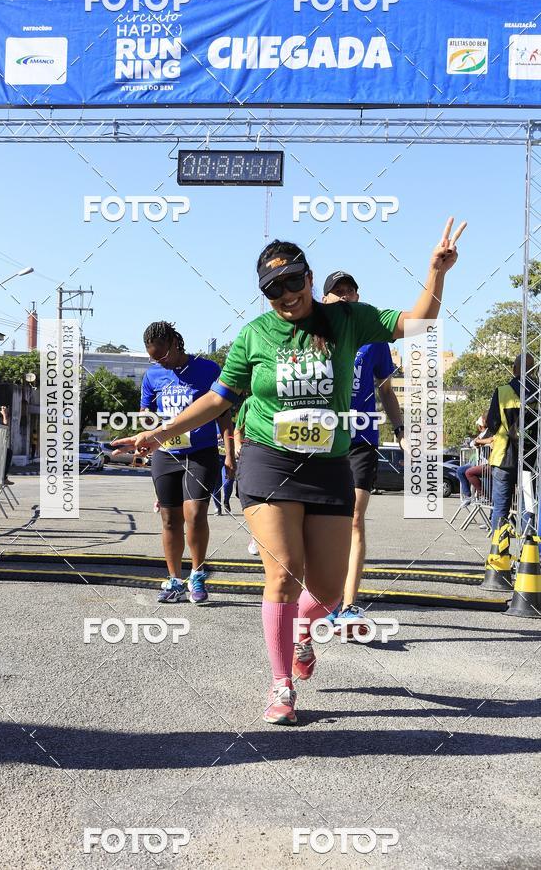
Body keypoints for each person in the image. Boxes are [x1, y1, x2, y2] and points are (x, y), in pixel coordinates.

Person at [118, 218, 466, 724]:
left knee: (324, 591)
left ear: (309, 276)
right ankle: (281, 684)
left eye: (293, 281)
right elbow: (218, 399)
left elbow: (417, 323)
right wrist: (158, 434)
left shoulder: (346, 319)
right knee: (283, 574)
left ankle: (304, 630)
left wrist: (436, 273)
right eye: (272, 289)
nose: (285, 295)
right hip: (267, 458)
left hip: (329, 464)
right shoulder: (255, 335)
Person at [117, 321, 235, 604]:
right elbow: (147, 417)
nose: (160, 362)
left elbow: (223, 416)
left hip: (201, 452)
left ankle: (197, 574)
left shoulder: (208, 370)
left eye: (162, 355)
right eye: (153, 358)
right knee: (169, 519)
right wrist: (141, 446)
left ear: (175, 343)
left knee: (194, 514)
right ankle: (174, 580)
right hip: (165, 454)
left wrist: (229, 454)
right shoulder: (153, 376)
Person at [321, 271, 405, 631]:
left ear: (358, 296)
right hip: (321, 439)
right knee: (320, 524)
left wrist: (401, 429)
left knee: (355, 519)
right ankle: (324, 598)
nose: (343, 297)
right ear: (323, 299)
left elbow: (386, 391)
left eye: (349, 291)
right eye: (336, 293)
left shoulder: (373, 339)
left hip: (361, 438)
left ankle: (350, 604)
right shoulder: (312, 332)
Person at [486, 353, 535, 532]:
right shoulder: (537, 395)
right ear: (534, 370)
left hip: (503, 458)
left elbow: (492, 424)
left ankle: (498, 553)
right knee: (527, 509)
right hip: (530, 460)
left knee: (500, 510)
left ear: (514, 369)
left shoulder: (502, 392)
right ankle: (528, 555)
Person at [234, 396, 260, 556]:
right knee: (250, 498)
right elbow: (238, 428)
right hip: (253, 455)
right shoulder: (250, 402)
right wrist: (237, 446)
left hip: (279, 456)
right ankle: (256, 535)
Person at [212, 434, 234, 516]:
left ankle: (226, 500)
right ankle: (217, 507)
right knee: (216, 484)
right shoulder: (211, 423)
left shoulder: (232, 424)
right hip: (216, 457)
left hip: (229, 457)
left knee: (228, 482)